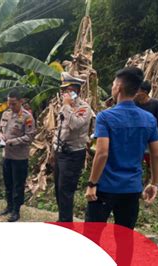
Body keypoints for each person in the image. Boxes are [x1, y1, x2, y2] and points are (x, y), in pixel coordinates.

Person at [85, 67, 158, 230]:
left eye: (113, 84)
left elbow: (102, 153)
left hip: (104, 188)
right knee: (125, 238)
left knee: (93, 237)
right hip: (132, 188)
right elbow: (157, 154)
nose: (112, 87)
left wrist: (92, 184)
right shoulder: (149, 119)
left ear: (118, 87)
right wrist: (154, 183)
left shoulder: (105, 117)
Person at [52, 72, 93, 222]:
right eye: (64, 90)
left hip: (73, 154)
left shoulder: (84, 108)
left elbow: (75, 125)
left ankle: (66, 222)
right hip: (60, 152)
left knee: (66, 190)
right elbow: (59, 129)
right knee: (58, 188)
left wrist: (67, 107)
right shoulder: (64, 107)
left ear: (75, 91)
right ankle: (62, 219)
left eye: (68, 90)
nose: (64, 93)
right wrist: (53, 150)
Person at [0, 89, 36, 222]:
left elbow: (29, 137)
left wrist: (13, 141)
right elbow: (0, 129)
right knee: (8, 183)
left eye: (14, 104)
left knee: (18, 185)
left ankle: (16, 211)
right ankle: (9, 206)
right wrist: (0, 136)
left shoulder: (27, 117)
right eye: (9, 103)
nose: (11, 106)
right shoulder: (6, 114)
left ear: (21, 102)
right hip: (6, 155)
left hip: (19, 157)